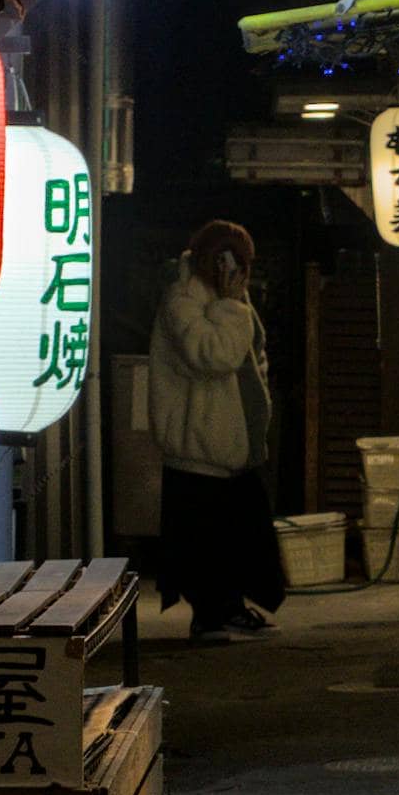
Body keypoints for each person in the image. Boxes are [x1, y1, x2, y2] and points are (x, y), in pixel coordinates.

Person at [150, 220, 290, 641]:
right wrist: (231, 304)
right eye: (233, 260)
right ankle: (209, 616)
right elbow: (215, 355)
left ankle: (228, 607)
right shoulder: (184, 299)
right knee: (205, 542)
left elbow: (251, 357)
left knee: (237, 535)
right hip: (198, 446)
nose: (240, 270)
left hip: (228, 445)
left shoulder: (222, 297)